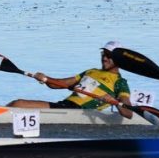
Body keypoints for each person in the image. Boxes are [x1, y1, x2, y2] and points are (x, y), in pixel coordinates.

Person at [7, 41, 135, 119]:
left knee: (18, 104)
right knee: (16, 103)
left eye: (108, 56)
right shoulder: (91, 72)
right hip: (64, 106)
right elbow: (60, 84)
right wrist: (45, 79)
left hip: (80, 113)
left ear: (119, 60)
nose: (104, 58)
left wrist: (114, 102)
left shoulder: (120, 82)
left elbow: (128, 113)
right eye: (103, 55)